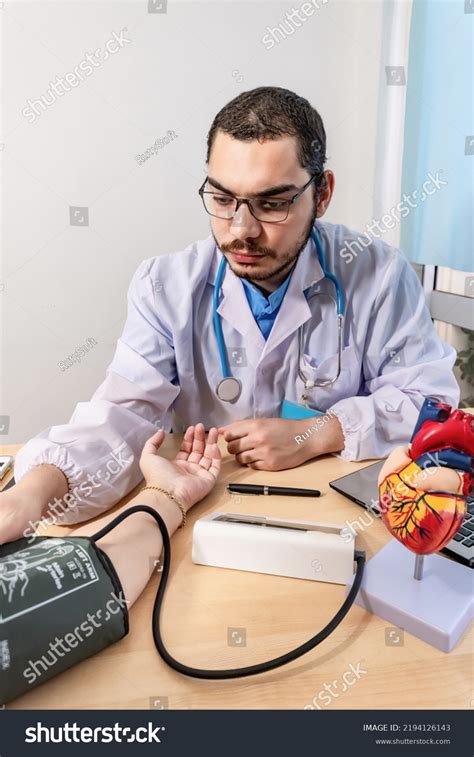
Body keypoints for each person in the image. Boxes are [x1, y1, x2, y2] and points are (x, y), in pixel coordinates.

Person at [0, 86, 459, 544]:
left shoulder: (377, 273)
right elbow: (123, 417)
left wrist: (319, 431)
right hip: (209, 510)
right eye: (222, 200)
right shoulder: (164, 285)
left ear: (322, 194)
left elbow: (429, 400)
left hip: (337, 519)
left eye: (272, 203)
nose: (242, 230)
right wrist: (32, 495)